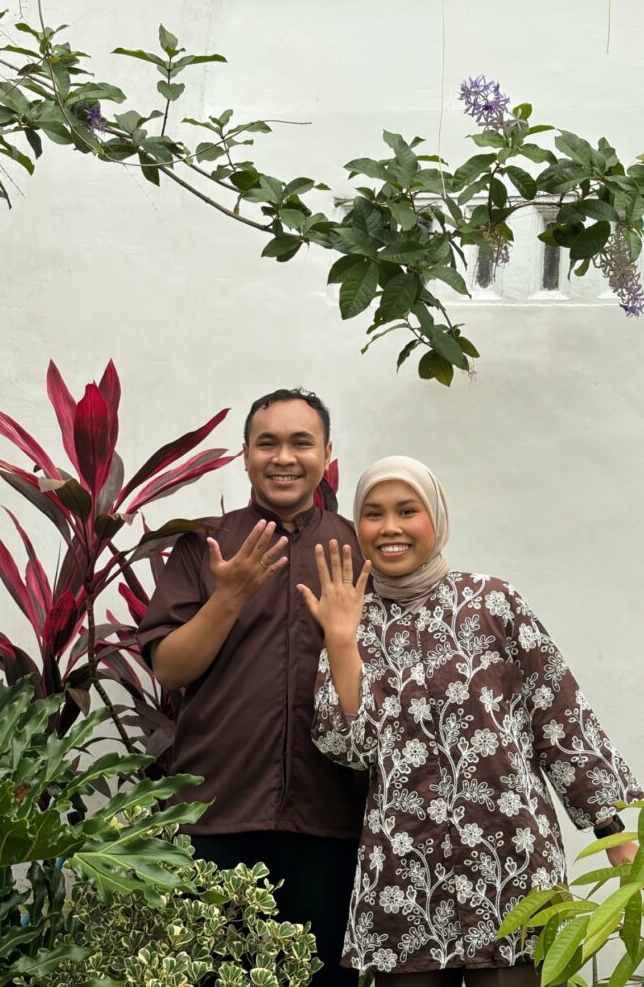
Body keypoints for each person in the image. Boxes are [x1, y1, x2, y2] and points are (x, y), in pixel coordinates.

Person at [296, 455, 642, 987]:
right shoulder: (352, 622)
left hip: (511, 866)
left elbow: (560, 716)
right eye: (373, 513)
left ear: (436, 517)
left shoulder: (493, 602)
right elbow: (351, 748)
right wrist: (341, 642)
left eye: (407, 510)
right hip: (405, 879)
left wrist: (612, 832)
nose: (389, 527)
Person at [136, 388, 367, 986]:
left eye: (301, 442)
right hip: (217, 812)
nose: (283, 457)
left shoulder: (355, 547)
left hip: (331, 817)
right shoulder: (206, 544)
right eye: (267, 443)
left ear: (326, 454)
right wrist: (229, 596)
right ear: (245, 455)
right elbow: (170, 669)